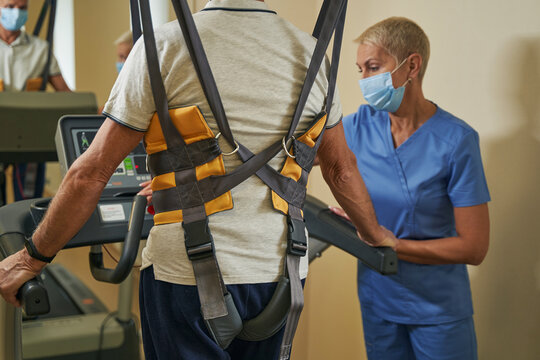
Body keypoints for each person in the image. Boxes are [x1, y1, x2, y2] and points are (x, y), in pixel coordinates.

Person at [0, 1, 395, 359]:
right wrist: (375, 234)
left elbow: (91, 173)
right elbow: (341, 169)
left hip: (184, 275)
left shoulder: (165, 46)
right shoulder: (311, 55)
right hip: (281, 271)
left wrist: (31, 257)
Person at [332, 17, 490, 360]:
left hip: (438, 310)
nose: (363, 80)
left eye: (373, 67)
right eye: (360, 69)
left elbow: (474, 248)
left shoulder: (457, 141)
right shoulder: (360, 125)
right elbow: (292, 155)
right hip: (379, 300)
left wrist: (393, 243)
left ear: (412, 65)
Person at [0, 0, 71, 204]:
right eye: (10, 6)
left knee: (28, 201)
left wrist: (96, 109)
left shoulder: (41, 50)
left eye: (22, 8)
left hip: (28, 135)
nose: (16, 12)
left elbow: (64, 93)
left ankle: (26, 235)